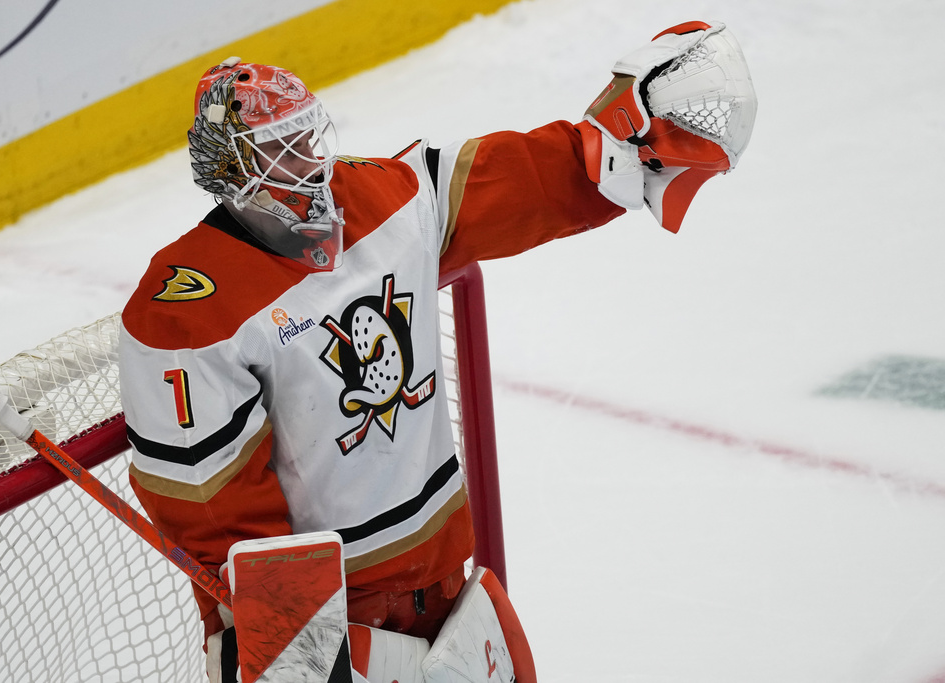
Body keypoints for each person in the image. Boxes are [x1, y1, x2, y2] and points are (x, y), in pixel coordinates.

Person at [118, 20, 756, 682]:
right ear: (233, 169)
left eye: (308, 136)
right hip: (338, 623)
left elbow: (503, 182)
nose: (310, 160)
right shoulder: (186, 313)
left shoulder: (380, 196)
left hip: (447, 587)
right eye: (283, 148)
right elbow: (216, 515)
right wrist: (295, 645)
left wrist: (615, 148)